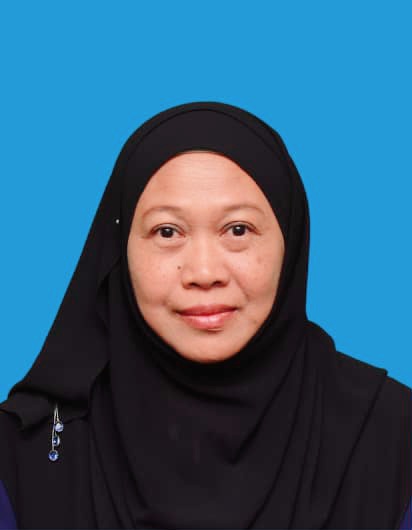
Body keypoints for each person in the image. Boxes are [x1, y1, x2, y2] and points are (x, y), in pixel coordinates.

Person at [0, 102, 410, 529]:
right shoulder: (24, 455)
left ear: (290, 243)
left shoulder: (394, 435)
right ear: (120, 251)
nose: (203, 273)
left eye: (238, 230)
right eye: (167, 232)